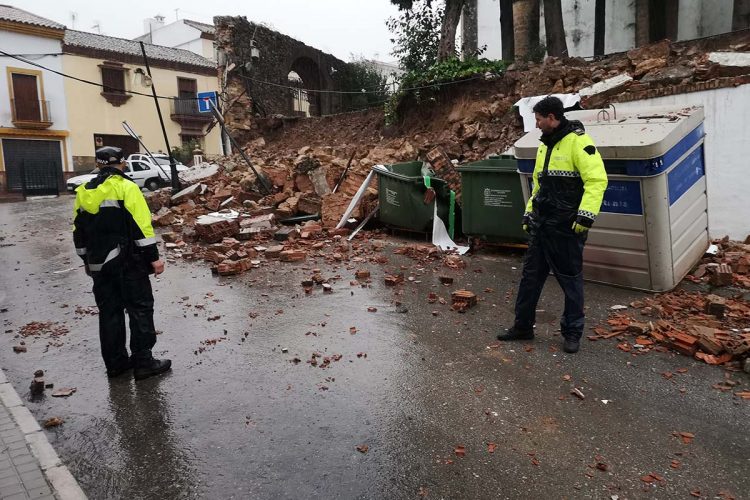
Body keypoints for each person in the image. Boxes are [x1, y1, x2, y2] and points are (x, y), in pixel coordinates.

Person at [498, 96, 608, 353]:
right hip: (542, 226)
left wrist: (585, 216)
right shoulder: (545, 146)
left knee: (571, 282)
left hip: (566, 228)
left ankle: (572, 333)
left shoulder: (579, 143)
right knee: (530, 280)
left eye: (538, 119)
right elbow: (539, 186)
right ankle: (522, 327)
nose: (536, 124)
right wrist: (528, 214)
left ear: (551, 117)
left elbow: (597, 180)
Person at [73, 146, 172, 380]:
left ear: (98, 164)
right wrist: (154, 258)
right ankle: (144, 362)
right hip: (129, 263)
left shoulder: (83, 191)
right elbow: (141, 227)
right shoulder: (127, 187)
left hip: (99, 265)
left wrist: (86, 260)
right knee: (140, 309)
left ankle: (116, 364)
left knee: (109, 313)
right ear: (122, 163)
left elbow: (78, 231)